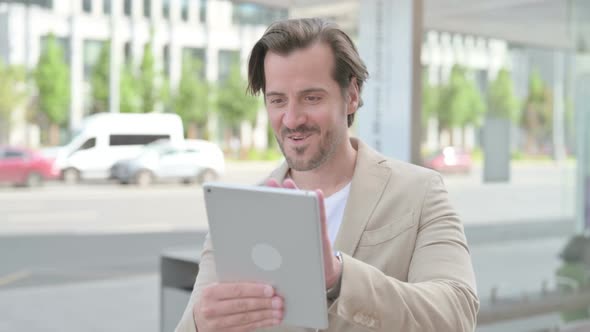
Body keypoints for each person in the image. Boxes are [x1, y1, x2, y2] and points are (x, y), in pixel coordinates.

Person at [175, 17, 479, 332]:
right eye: (278, 100)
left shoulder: (421, 192)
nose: (292, 119)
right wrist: (201, 322)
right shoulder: (237, 215)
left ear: (351, 95)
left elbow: (456, 314)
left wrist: (338, 277)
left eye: (311, 97)